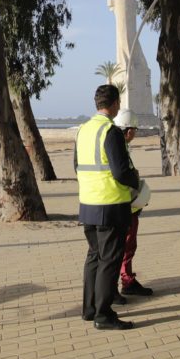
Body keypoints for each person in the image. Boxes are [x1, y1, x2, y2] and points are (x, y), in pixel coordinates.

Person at [75, 84, 139, 331]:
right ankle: (104, 314)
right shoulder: (110, 131)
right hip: (111, 204)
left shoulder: (83, 130)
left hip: (88, 204)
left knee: (94, 256)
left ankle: (89, 309)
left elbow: (76, 164)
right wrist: (136, 180)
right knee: (110, 261)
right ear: (114, 104)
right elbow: (121, 171)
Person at [114, 109, 153, 298]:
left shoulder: (119, 146)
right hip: (125, 205)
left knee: (126, 246)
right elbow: (125, 175)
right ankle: (126, 281)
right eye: (135, 130)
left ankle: (126, 279)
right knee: (126, 246)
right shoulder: (119, 147)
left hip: (124, 204)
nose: (135, 134)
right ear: (128, 131)